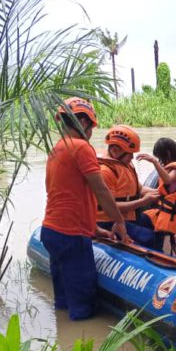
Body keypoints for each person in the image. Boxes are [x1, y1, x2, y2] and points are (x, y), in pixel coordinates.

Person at [41, 97, 129, 321]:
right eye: (91, 126)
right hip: (71, 236)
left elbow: (64, 194)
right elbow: (100, 191)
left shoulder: (56, 149)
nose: (91, 133)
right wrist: (119, 221)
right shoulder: (81, 148)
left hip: (51, 230)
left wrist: (95, 229)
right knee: (83, 304)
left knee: (63, 300)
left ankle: (64, 342)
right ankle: (82, 346)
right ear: (82, 121)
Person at [97, 125, 160, 247]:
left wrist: (157, 193)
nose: (132, 157)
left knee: (159, 226)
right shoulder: (104, 171)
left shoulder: (126, 164)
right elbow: (111, 207)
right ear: (115, 150)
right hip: (108, 221)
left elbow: (139, 188)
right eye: (129, 153)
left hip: (129, 216)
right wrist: (143, 202)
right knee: (148, 237)